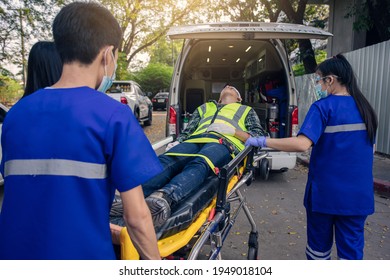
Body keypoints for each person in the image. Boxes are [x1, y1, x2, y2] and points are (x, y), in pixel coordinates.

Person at [0, 2, 162, 260]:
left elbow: (31, 193)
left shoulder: (16, 115)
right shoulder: (113, 116)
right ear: (107, 54)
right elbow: (137, 217)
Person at [245, 54, 378, 260]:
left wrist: (263, 141)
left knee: (318, 252)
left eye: (319, 80)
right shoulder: (366, 108)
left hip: (326, 196)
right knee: (351, 256)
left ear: (330, 80)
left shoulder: (323, 107)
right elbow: (369, 151)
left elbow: (301, 144)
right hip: (357, 198)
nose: (318, 85)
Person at [143, 85, 267, 228]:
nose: (228, 86)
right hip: (194, 140)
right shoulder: (204, 108)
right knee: (166, 160)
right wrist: (179, 141)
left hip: (224, 143)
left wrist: (233, 131)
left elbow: (258, 137)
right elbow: (189, 130)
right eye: (226, 87)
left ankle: (163, 197)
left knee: (201, 162)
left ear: (239, 99)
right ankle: (134, 194)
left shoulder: (246, 110)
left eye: (233, 88)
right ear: (219, 97)